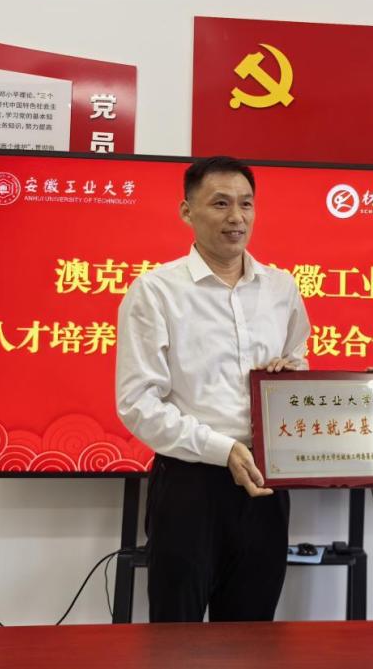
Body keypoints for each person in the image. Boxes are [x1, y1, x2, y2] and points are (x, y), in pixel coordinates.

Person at [115, 155, 310, 622]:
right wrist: (223, 450)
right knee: (176, 636)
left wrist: (289, 374)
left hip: (265, 483)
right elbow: (137, 402)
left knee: (252, 634)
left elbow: (299, 363)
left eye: (246, 204)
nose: (236, 217)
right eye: (220, 203)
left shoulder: (281, 288)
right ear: (187, 211)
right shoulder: (156, 291)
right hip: (190, 484)